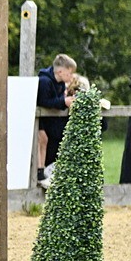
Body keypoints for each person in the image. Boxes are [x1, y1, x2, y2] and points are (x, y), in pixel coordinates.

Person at [36, 53, 76, 187]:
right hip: (41, 119)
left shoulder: (60, 84)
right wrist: (64, 102)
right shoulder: (45, 82)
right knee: (43, 140)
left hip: (53, 121)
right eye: (69, 73)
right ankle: (40, 173)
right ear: (60, 71)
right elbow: (44, 101)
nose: (71, 77)